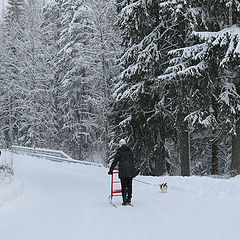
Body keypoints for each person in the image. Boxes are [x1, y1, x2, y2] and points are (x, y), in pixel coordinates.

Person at [108, 139, 137, 205]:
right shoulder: (130, 151)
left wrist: (111, 170)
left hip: (123, 172)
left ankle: (124, 200)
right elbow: (133, 161)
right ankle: (129, 198)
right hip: (130, 171)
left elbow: (115, 162)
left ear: (120, 144)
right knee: (129, 185)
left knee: (123, 186)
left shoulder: (120, 152)